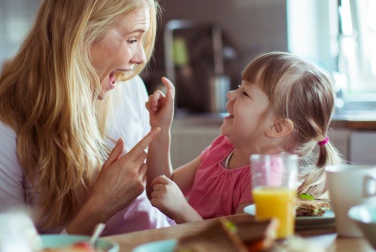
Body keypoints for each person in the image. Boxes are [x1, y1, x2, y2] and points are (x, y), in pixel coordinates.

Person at [0, 0, 165, 235]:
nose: (141, 58)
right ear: (81, 35)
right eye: (132, 40)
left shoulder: (131, 90)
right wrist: (101, 205)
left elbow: (158, 198)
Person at [145, 51, 345, 224]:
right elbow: (160, 188)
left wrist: (182, 211)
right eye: (239, 87)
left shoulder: (269, 178)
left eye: (245, 93)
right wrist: (161, 128)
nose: (231, 94)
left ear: (277, 127)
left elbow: (240, 242)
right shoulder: (222, 148)